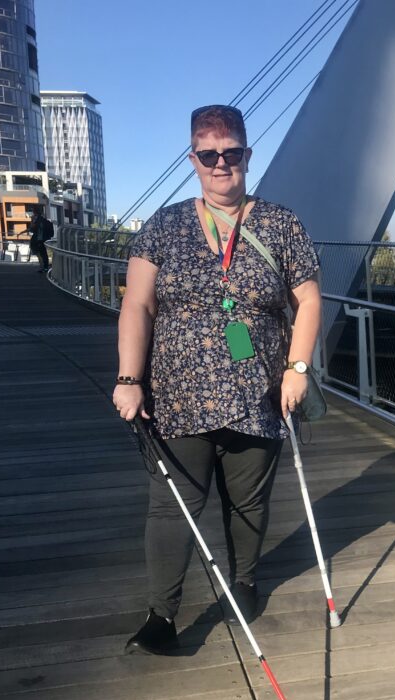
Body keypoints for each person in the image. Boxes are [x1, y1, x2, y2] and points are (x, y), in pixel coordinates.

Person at [115, 104, 322, 656]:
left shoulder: (280, 224)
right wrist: (129, 378)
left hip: (258, 394)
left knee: (248, 503)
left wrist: (298, 369)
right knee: (172, 505)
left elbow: (308, 301)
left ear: (247, 155)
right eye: (208, 155)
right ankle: (162, 614)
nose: (220, 163)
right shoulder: (164, 225)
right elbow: (137, 305)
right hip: (179, 396)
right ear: (193, 159)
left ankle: (245, 582)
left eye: (231, 152)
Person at [22, 205, 53, 272]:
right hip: (42, 239)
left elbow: (32, 229)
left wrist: (22, 232)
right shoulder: (42, 219)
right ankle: (45, 267)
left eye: (31, 210)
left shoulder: (36, 219)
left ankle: (43, 267)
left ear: (34, 212)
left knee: (40, 253)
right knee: (43, 253)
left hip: (38, 239)